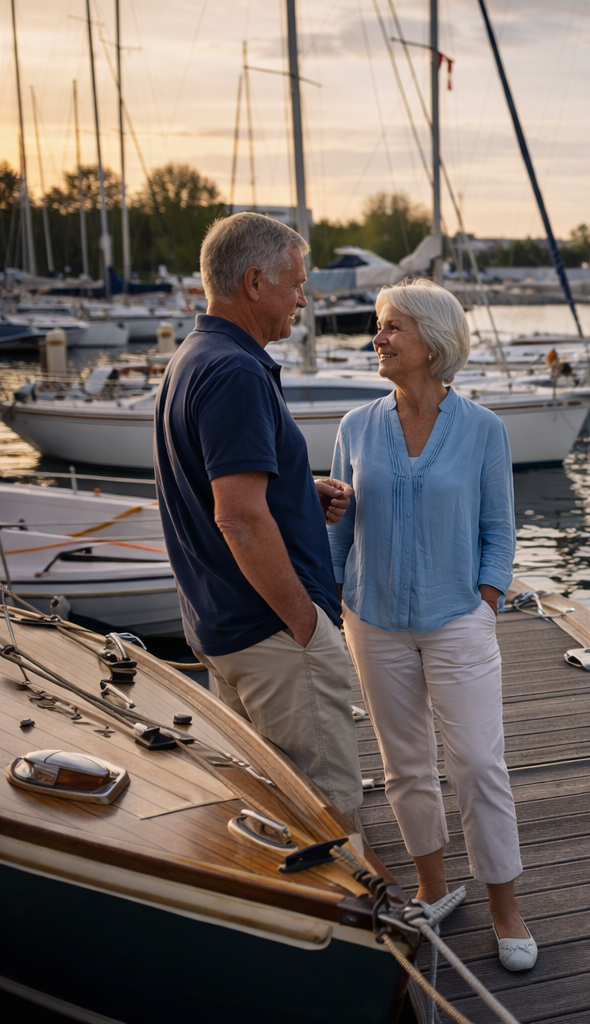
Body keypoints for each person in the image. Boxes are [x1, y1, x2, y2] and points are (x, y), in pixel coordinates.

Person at [328, 280, 534, 971]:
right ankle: (433, 887)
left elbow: (498, 529)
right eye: (379, 328)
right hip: (373, 618)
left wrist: (488, 595)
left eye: (392, 328)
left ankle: (506, 906)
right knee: (405, 766)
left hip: (458, 618)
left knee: (478, 762)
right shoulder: (355, 427)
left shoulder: (483, 430)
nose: (377, 339)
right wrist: (333, 598)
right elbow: (339, 525)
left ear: (433, 343)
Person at [155, 212, 362, 822]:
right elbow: (238, 518)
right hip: (274, 637)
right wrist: (306, 626)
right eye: (295, 284)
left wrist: (297, 489)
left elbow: (207, 483)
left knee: (270, 813)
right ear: (253, 282)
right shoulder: (236, 371)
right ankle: (345, 919)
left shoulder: (192, 357)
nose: (302, 299)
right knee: (325, 817)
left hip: (221, 628)